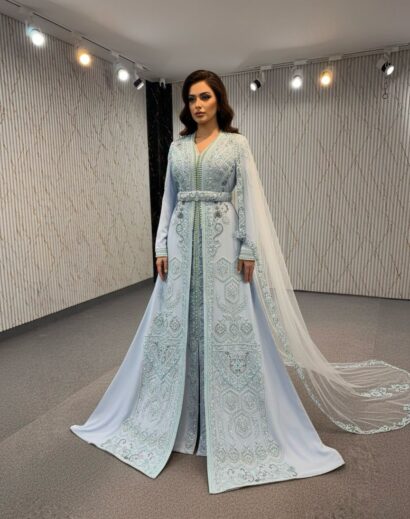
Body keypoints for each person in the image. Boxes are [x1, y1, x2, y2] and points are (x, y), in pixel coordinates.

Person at [70, 69, 410, 495]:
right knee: (175, 328)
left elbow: (246, 197)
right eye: (191, 98)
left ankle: (228, 419)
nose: (197, 105)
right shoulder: (177, 147)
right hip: (182, 244)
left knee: (230, 328)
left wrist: (248, 247)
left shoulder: (236, 144)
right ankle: (178, 415)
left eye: (205, 97)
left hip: (222, 245)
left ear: (219, 100)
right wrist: (161, 245)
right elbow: (168, 200)